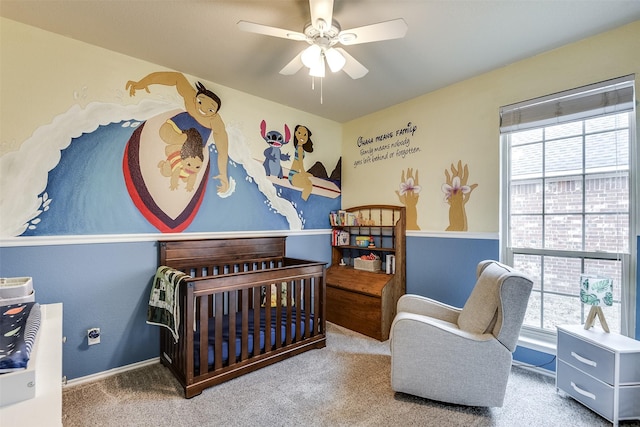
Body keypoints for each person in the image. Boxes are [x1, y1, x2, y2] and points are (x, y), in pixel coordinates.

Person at [126, 72, 229, 194]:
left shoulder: (216, 123)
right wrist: (143, 83)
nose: (203, 109)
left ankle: (172, 167)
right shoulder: (191, 99)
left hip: (194, 144)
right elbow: (177, 78)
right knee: (174, 140)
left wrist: (223, 174)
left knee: (192, 163)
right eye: (200, 102)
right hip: (176, 129)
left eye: (210, 109)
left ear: (215, 113)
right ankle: (169, 163)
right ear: (196, 99)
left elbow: (223, 152)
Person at [288, 124, 314, 200]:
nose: (302, 136)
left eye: (305, 135)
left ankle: (303, 200)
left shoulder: (299, 147)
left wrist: (305, 174)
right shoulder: (300, 149)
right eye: (299, 133)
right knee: (309, 185)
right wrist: (304, 176)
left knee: (309, 183)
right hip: (294, 175)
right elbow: (300, 164)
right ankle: (303, 201)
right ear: (296, 134)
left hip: (294, 174)